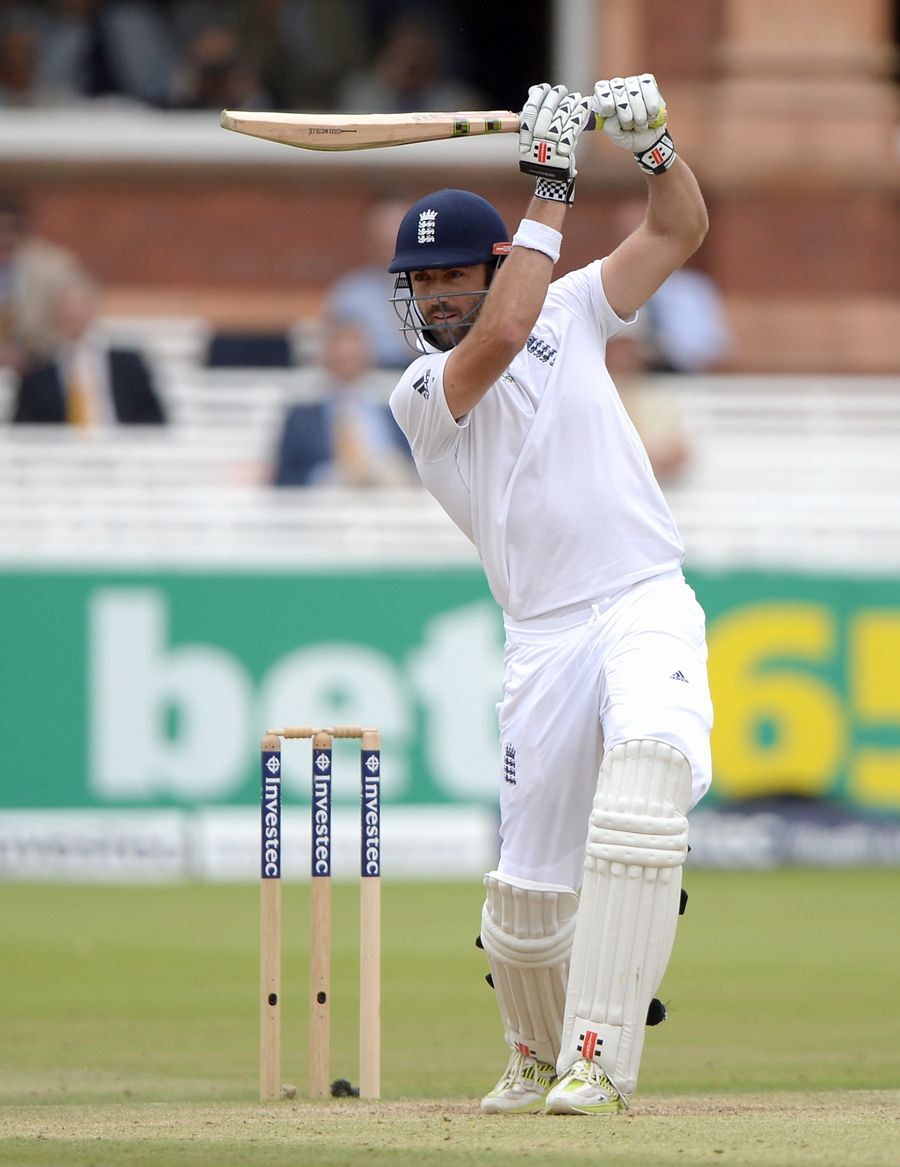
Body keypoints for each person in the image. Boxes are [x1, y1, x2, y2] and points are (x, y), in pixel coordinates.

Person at [387, 76, 714, 1115]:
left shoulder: (571, 306)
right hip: (541, 640)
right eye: (419, 282)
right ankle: (530, 1052)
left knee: (648, 775)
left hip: (639, 597)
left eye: (450, 276)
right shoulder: (421, 394)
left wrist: (651, 143)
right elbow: (498, 332)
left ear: (490, 265)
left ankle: (598, 1058)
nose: (435, 298)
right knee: (526, 901)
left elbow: (681, 228)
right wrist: (554, 178)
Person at [273, 317, 413, 486]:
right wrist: (323, 478)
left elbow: (415, 461)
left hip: (391, 493)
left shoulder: (394, 406)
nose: (347, 357)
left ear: (368, 355)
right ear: (326, 355)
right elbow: (285, 476)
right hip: (327, 498)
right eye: (341, 353)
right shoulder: (302, 415)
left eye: (353, 353)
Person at [10, 278, 166, 424]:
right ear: (55, 313)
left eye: (79, 306)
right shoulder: (38, 369)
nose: (73, 314)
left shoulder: (128, 364)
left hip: (123, 446)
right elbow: (23, 427)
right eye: (66, 308)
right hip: (60, 449)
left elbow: (154, 418)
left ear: (93, 308)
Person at [0, 189, 89, 371]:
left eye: (11, 229)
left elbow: (74, 323)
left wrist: (30, 355)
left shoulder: (53, 267)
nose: (4, 238)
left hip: (37, 369)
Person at [325, 196, 414, 370]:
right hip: (370, 384)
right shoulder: (350, 293)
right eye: (383, 231)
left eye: (397, 231)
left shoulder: (434, 288)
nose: (390, 238)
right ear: (370, 236)